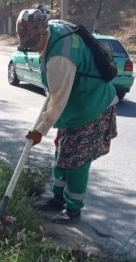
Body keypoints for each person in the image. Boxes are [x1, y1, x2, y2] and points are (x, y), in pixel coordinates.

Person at [16, 7, 118, 224]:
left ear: (42, 33)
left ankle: (73, 211)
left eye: (33, 44)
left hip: (91, 107)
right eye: (27, 46)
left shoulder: (59, 60)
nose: (33, 50)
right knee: (62, 153)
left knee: (76, 161)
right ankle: (57, 199)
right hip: (77, 104)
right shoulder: (54, 27)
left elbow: (57, 103)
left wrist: (38, 132)